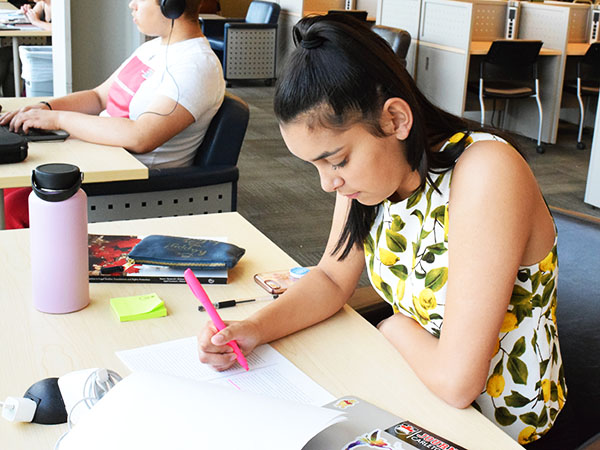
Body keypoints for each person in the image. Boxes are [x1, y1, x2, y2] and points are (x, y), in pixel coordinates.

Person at [197, 14, 570, 448]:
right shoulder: (373, 178)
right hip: (413, 389)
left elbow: (456, 382)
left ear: (395, 119)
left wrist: (393, 328)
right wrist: (254, 329)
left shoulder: (487, 172)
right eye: (315, 165)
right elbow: (332, 278)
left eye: (335, 160)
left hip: (496, 427)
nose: (327, 183)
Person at [0, 0, 225, 228]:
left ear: (171, 4)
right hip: (100, 162)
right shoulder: (154, 48)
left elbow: (141, 136)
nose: (131, 4)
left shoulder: (196, 65)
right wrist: (47, 107)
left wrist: (58, 119)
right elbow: (98, 97)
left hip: (132, 188)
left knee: (15, 203)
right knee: (12, 182)